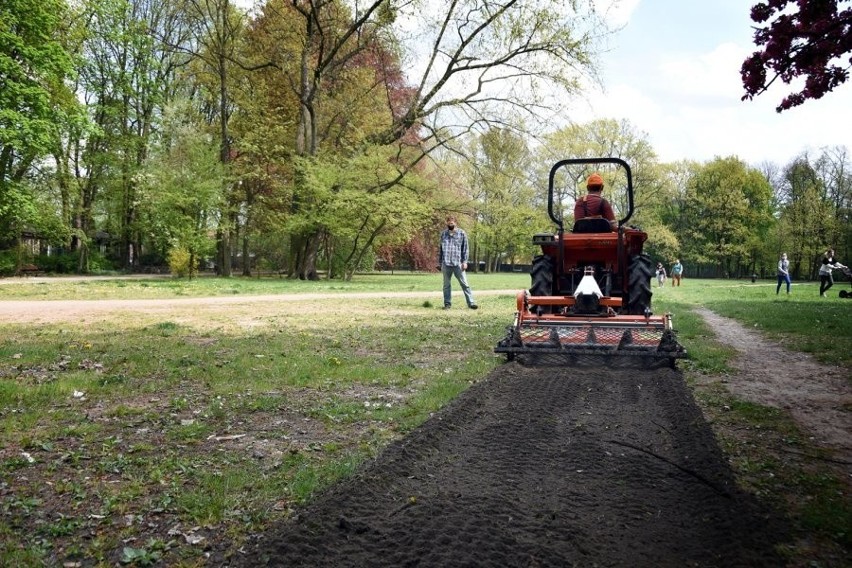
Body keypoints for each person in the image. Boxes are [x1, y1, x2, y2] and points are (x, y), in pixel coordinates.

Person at [438, 215, 478, 310]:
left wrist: (465, 262)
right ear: (446, 223)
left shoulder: (462, 233)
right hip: (446, 263)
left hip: (458, 264)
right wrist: (439, 263)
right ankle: (447, 304)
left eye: (452, 222)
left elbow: (465, 249)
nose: (450, 224)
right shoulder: (443, 234)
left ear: (455, 223)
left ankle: (471, 303)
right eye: (448, 222)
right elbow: (440, 250)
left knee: (465, 284)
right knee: (446, 285)